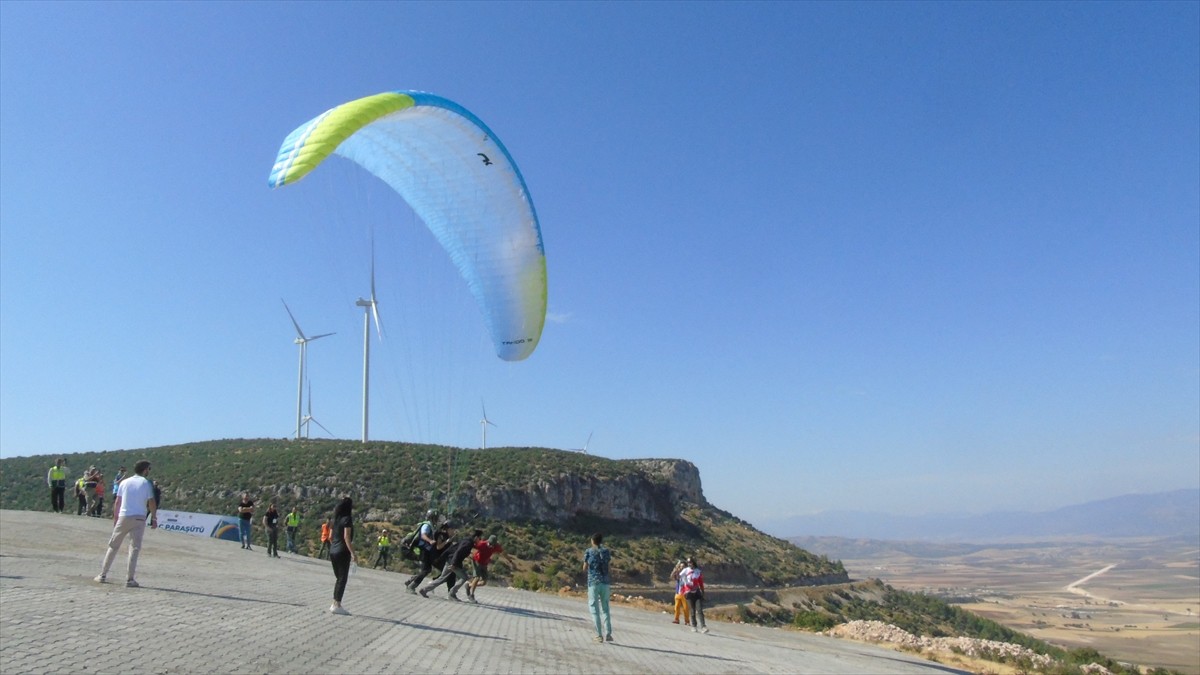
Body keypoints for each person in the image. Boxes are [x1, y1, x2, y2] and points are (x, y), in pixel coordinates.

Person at [94, 460, 157, 587]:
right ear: (145, 470)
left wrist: (115, 518)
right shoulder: (146, 483)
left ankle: (102, 574)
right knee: (134, 548)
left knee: (113, 546)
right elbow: (151, 502)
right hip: (139, 517)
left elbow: (117, 502)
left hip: (124, 516)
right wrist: (154, 518)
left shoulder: (124, 482)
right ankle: (130, 579)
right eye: (149, 469)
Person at [419, 529, 481, 601]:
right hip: (453, 562)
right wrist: (453, 564)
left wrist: (442, 557)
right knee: (464, 577)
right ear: (476, 537)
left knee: (442, 578)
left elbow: (453, 549)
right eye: (479, 538)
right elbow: (458, 552)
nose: (479, 540)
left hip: (450, 560)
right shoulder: (468, 543)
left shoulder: (466, 540)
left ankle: (424, 590)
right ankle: (452, 593)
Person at [582, 532, 613, 644]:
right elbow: (609, 567)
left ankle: (599, 634)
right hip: (605, 583)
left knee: (594, 608)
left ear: (592, 541)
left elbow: (584, 567)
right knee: (605, 608)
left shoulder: (589, 552)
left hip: (594, 582)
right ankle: (608, 633)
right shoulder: (606, 552)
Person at [327, 497, 355, 615]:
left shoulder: (335, 520)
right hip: (343, 551)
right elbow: (346, 537)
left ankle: (334, 603)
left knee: (338, 578)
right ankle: (337, 604)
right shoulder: (347, 519)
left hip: (333, 550)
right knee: (342, 578)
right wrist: (353, 553)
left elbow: (330, 536)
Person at [467, 534, 514, 603]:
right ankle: (471, 595)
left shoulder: (497, 546)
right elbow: (471, 546)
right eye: (490, 544)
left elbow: (503, 553)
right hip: (476, 560)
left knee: (484, 582)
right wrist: (468, 554)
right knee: (477, 577)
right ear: (488, 541)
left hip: (484, 563)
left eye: (493, 545)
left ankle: (469, 585)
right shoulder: (482, 544)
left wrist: (510, 561)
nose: (491, 546)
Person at [404, 511, 441, 593]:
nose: (437, 519)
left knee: (427, 569)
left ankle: (410, 581)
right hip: (423, 550)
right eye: (436, 517)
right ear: (432, 517)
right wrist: (430, 541)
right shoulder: (427, 525)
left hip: (427, 550)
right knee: (425, 570)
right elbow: (423, 535)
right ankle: (411, 587)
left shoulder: (431, 525)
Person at [680, 556, 708, 633]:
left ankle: (703, 626)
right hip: (688, 593)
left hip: (697, 592)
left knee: (699, 610)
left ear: (693, 562)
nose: (689, 564)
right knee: (692, 610)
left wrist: (703, 592)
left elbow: (701, 583)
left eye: (690, 562)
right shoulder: (685, 570)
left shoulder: (698, 571)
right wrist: (684, 583)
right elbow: (680, 577)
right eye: (688, 562)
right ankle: (694, 626)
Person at [670, 560, 687, 624]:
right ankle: (676, 619)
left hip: (685, 593)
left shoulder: (687, 574)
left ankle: (687, 621)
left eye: (683, 566)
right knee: (676, 607)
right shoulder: (678, 574)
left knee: (685, 608)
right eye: (681, 566)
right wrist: (676, 567)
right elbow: (671, 576)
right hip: (678, 592)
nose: (682, 567)